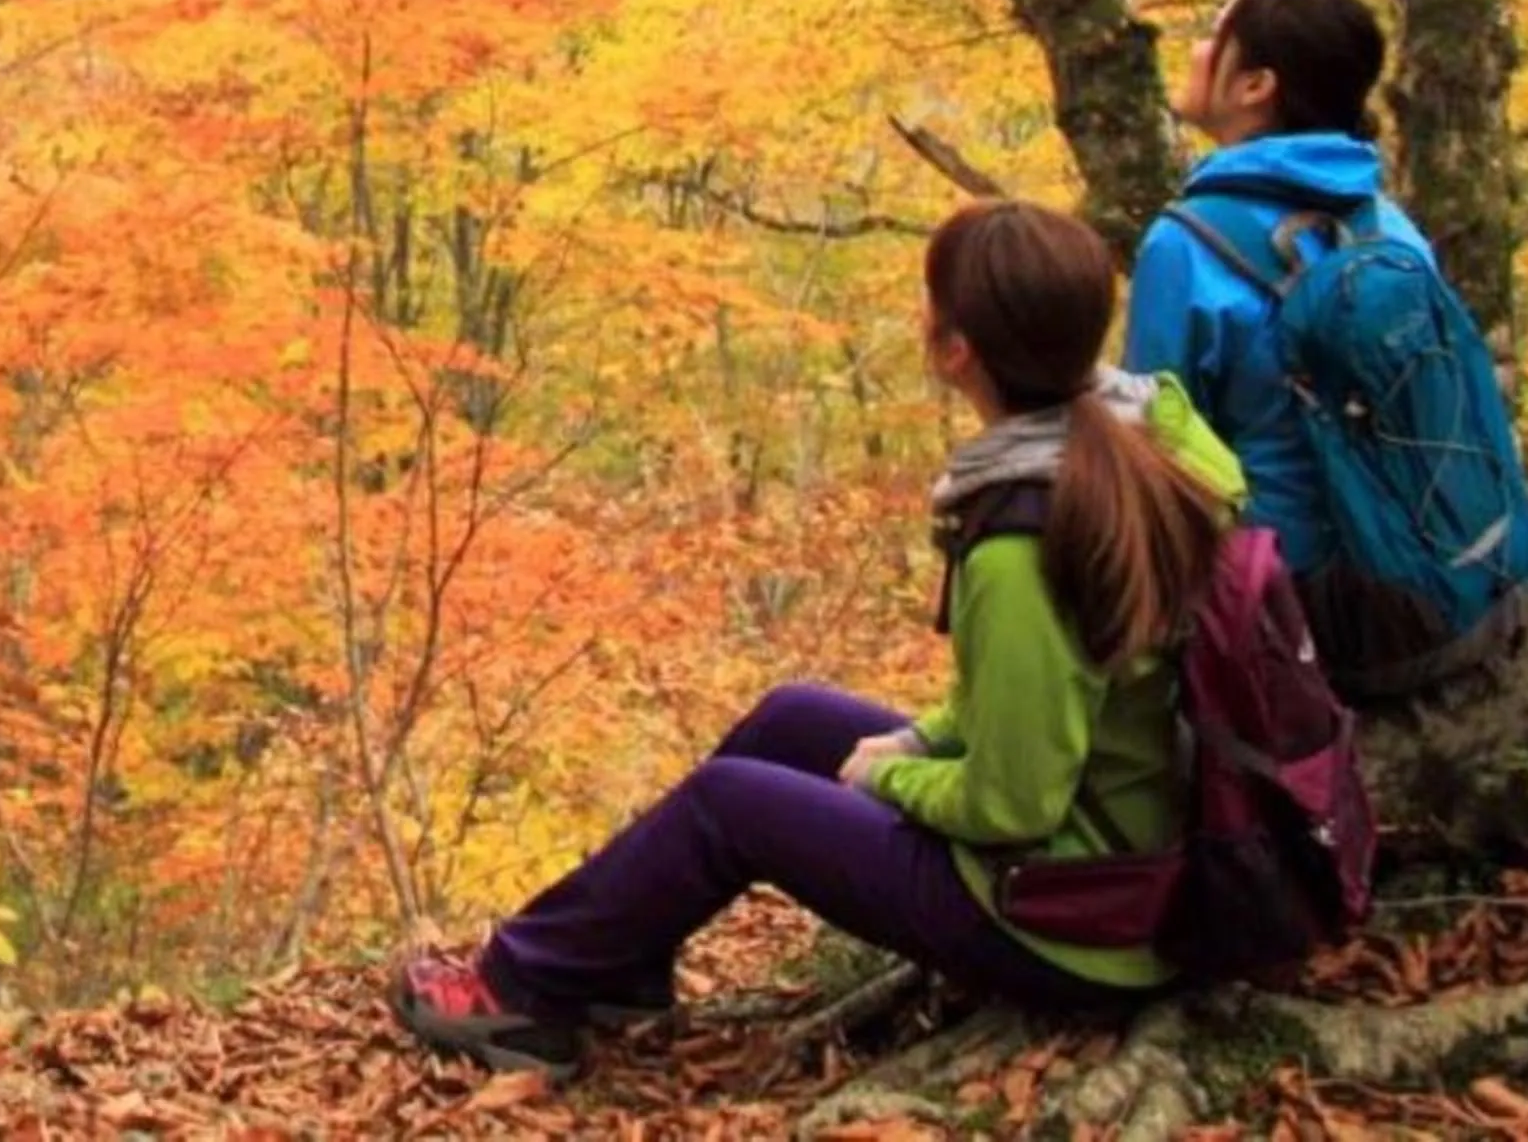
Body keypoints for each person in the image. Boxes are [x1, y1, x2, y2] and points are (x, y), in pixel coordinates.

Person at [392, 201, 1243, 1077]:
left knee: (730, 803)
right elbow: (1056, 692)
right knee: (791, 717)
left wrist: (890, 775)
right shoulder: (1144, 442)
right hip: (1116, 851)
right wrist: (921, 739)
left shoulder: (1025, 546)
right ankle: (614, 961)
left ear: (956, 351)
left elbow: (1014, 806)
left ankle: (522, 999)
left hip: (1072, 919)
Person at [1123, 0, 1528, 699]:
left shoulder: (1185, 245)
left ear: (1256, 85)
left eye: (1215, 36)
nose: (1195, 50)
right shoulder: (1385, 222)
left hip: (1302, 618)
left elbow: (1151, 454)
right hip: (1452, 573)